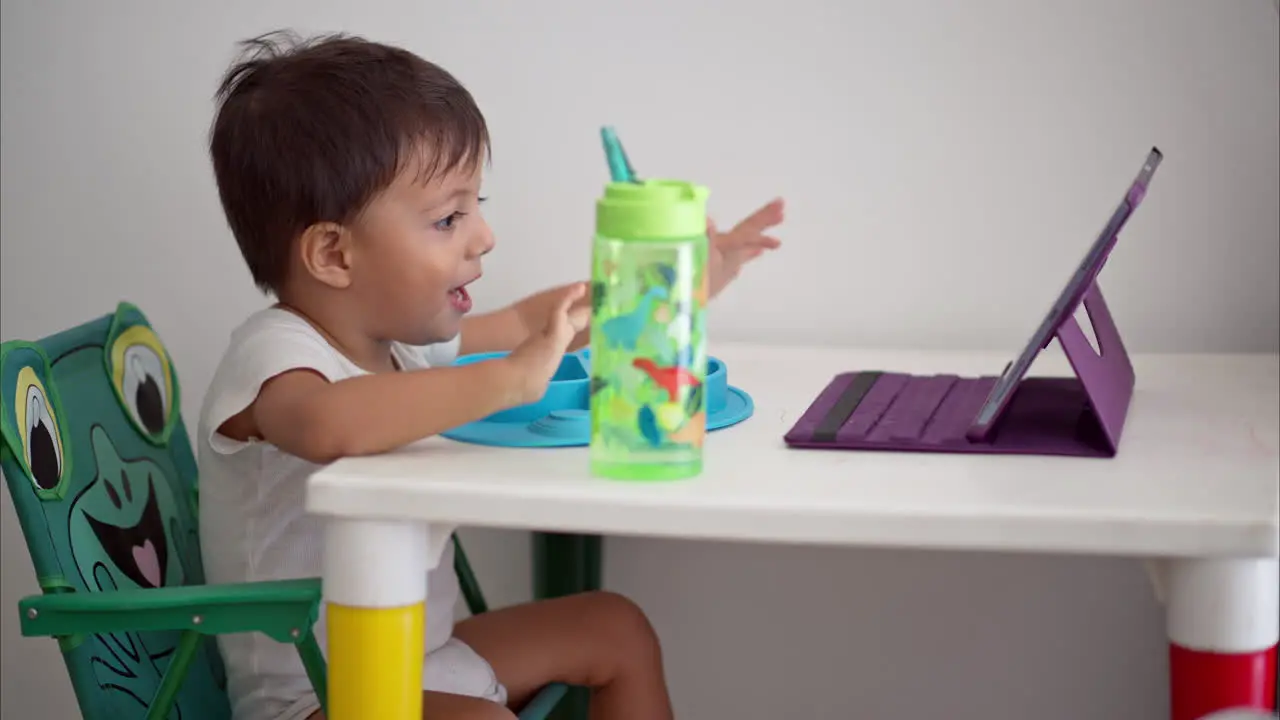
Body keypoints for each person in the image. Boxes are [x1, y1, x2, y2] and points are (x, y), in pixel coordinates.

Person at [197, 30, 784, 720]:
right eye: (448, 217)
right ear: (334, 253)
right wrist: (506, 380)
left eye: (478, 207)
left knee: (614, 627)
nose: (483, 236)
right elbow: (329, 423)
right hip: (316, 695)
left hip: (417, 651)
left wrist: (669, 286)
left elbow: (535, 323)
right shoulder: (274, 354)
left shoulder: (402, 347)